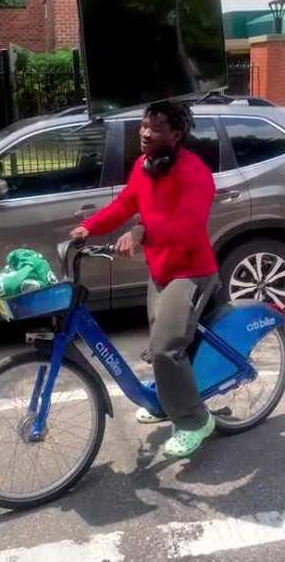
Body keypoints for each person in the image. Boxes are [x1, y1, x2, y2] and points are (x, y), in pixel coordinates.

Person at [70, 100, 218, 459]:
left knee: (166, 349)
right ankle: (167, 401)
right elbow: (124, 203)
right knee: (158, 347)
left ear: (177, 134)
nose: (145, 133)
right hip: (160, 271)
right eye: (142, 126)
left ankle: (195, 421)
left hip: (191, 271)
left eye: (154, 128)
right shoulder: (143, 167)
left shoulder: (194, 172)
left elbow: (187, 225)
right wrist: (89, 227)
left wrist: (140, 232)